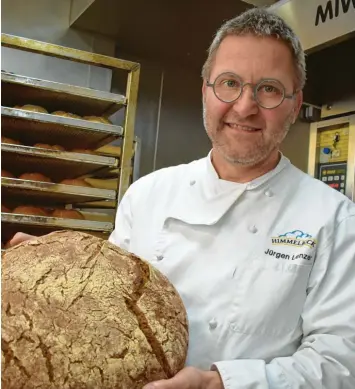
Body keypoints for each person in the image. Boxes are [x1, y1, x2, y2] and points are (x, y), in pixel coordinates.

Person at [8, 8, 355, 389]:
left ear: (294, 102)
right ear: (205, 89)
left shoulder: (335, 219)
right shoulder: (148, 195)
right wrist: (57, 268)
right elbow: (109, 310)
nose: (245, 106)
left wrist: (221, 384)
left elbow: (340, 361)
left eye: (269, 89)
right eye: (229, 83)